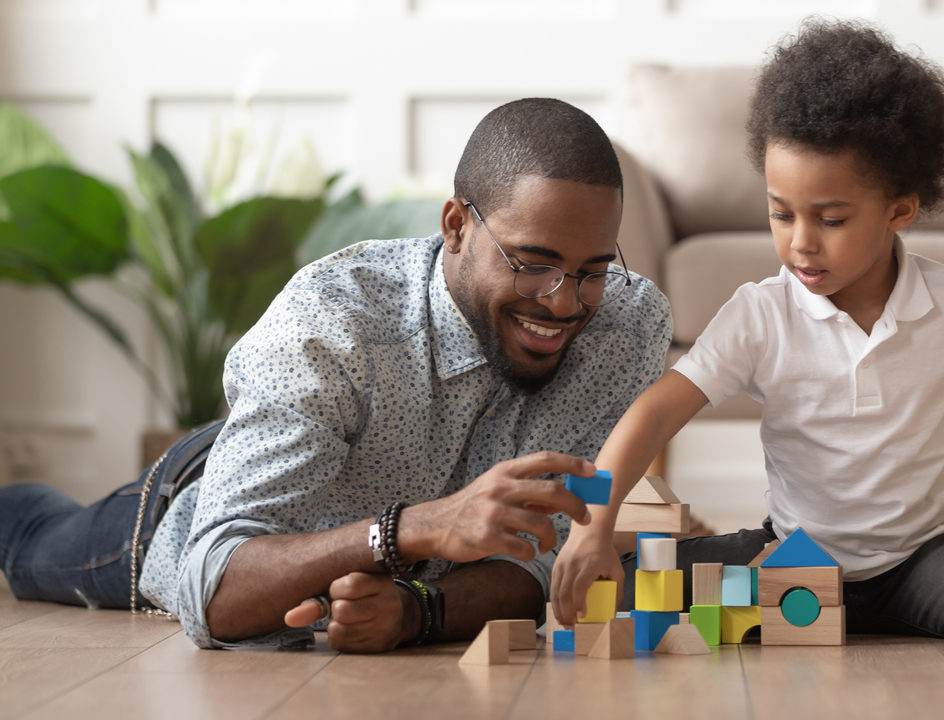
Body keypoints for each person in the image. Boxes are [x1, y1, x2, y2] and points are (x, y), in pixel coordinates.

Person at [0, 98, 673, 652]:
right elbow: (212, 590)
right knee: (28, 538)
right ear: (456, 227)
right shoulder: (333, 322)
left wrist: (418, 609)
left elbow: (540, 558)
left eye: (591, 271)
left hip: (351, 526)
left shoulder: (626, 329)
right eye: (533, 261)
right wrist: (409, 530)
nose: (563, 302)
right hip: (201, 504)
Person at [551, 20, 944, 644]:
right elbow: (654, 415)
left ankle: (826, 615)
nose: (800, 242)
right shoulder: (760, 313)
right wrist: (591, 530)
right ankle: (807, 605)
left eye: (830, 218)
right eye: (780, 213)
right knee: (631, 582)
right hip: (798, 556)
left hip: (931, 559)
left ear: (899, 210)